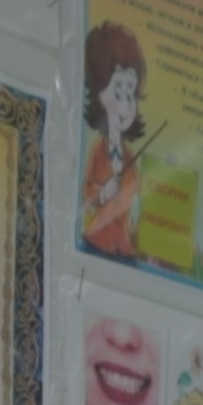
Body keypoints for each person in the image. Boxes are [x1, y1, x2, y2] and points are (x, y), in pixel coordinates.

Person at [77, 21, 147, 260]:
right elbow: (84, 197)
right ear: (99, 93)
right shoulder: (97, 150)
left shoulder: (128, 157)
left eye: (130, 93)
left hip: (123, 250)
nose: (126, 104)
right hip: (96, 245)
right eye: (118, 91)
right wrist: (104, 193)